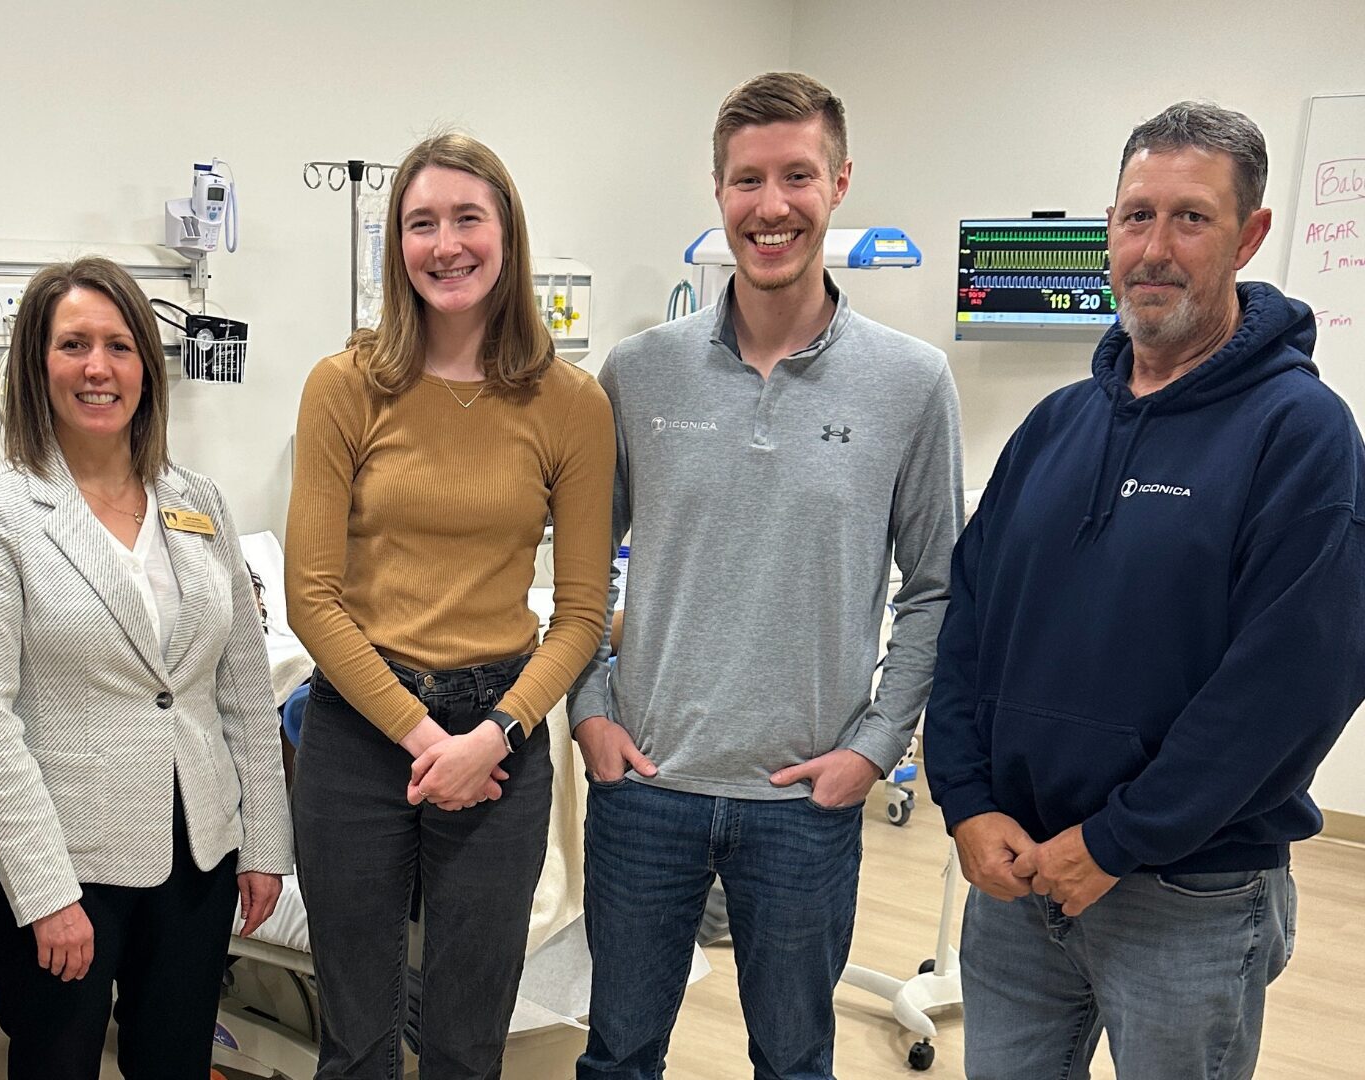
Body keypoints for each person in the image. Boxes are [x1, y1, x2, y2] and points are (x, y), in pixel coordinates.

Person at [926, 100, 1365, 1080]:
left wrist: (1118, 839)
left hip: (1185, 897)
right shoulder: (1054, 426)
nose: (1155, 248)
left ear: (1249, 235)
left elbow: (1289, 688)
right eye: (1136, 216)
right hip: (1014, 878)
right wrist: (963, 800)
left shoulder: (1302, 436)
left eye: (1191, 218)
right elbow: (969, 624)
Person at [568, 72, 963, 1079]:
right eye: (748, 180)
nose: (772, 205)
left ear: (838, 184)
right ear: (718, 193)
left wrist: (875, 746)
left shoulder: (911, 384)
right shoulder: (639, 371)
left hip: (805, 800)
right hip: (645, 787)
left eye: (797, 176)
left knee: (793, 1060)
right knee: (616, 1053)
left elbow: (935, 586)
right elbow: (574, 564)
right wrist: (590, 706)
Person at [284, 132, 616, 1079]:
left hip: (499, 739)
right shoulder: (345, 386)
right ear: (397, 246)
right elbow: (311, 597)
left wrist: (495, 734)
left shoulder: (569, 403)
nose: (446, 244)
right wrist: (428, 740)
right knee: (356, 1040)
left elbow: (583, 613)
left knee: (470, 1043)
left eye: (468, 218)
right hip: (360, 731)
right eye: (420, 223)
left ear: (507, 234)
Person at [0, 256, 292, 1080]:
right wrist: (46, 892)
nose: (98, 367)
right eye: (73, 345)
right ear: (36, 364)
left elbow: (240, 683)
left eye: (120, 346)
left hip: (195, 853)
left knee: (173, 1061)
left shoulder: (197, 500)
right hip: (62, 860)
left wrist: (264, 842)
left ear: (148, 368)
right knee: (57, 1062)